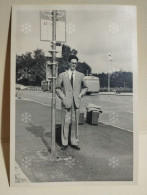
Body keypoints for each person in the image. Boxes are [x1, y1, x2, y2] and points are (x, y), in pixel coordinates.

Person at [56, 55, 88, 150]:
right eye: (72, 63)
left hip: (76, 103)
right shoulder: (62, 75)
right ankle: (64, 143)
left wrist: (80, 94)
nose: (74, 64)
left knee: (75, 122)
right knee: (65, 122)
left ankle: (74, 142)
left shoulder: (81, 75)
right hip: (66, 103)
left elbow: (85, 87)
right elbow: (57, 88)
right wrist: (63, 97)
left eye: (75, 63)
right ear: (69, 63)